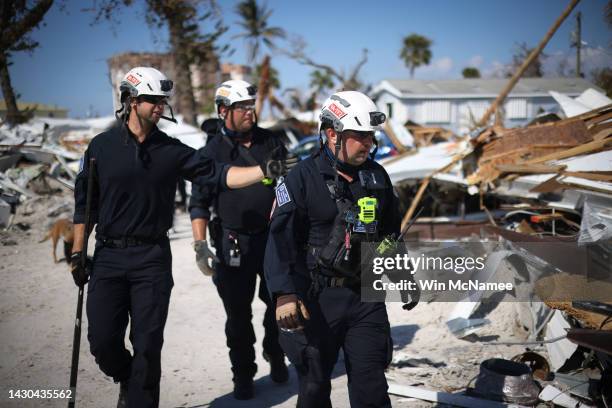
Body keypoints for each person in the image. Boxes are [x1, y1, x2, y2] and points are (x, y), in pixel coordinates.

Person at [70, 67, 291, 408]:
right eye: (153, 100)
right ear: (130, 100)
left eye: (162, 100)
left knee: (148, 345)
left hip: (155, 258)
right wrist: (76, 251)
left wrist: (265, 171)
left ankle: (262, 360)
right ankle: (127, 375)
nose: (160, 106)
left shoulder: (173, 150)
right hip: (113, 256)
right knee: (102, 341)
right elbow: (85, 204)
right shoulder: (101, 146)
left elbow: (219, 176)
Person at [264, 91, 403, 407]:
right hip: (316, 300)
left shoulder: (377, 176)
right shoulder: (301, 177)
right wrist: (285, 294)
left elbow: (389, 231)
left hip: (365, 298)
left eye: (370, 136)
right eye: (359, 136)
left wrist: (400, 274)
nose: (367, 143)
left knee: (372, 386)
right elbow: (280, 240)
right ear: (332, 134)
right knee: (314, 388)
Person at [189, 79, 296, 400]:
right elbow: (198, 203)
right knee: (237, 314)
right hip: (232, 241)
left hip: (273, 239)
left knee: (278, 303)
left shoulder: (271, 141)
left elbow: (290, 180)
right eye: (242, 108)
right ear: (223, 112)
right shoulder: (210, 152)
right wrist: (199, 245)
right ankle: (243, 374)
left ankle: (275, 353)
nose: (250, 113)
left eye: (251, 106)